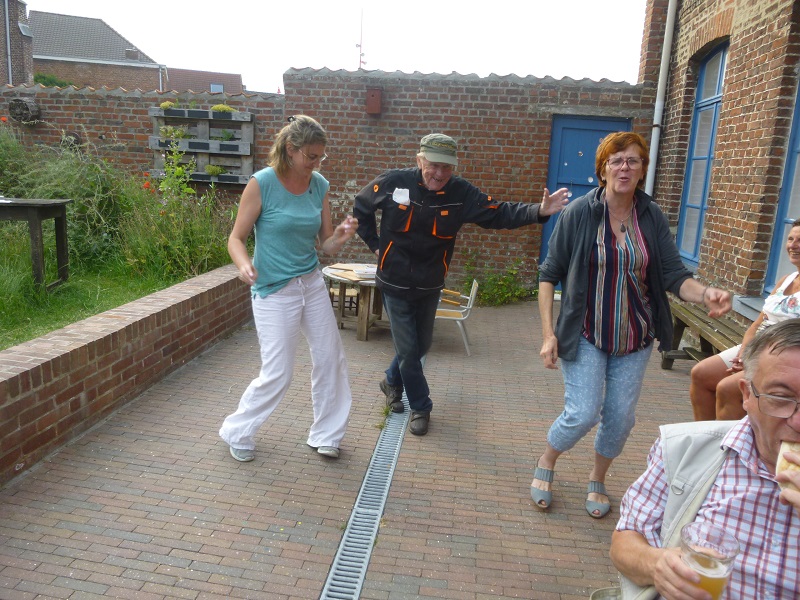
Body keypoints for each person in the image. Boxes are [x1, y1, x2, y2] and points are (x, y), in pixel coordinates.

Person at [531, 131, 732, 518]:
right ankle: (548, 459)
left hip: (635, 337)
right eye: (617, 160)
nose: (624, 168)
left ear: (642, 170)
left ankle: (597, 477)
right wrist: (548, 334)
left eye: (633, 161)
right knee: (583, 412)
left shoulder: (651, 216)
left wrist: (706, 293)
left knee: (621, 418)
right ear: (603, 169)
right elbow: (548, 274)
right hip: (585, 333)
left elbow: (674, 275)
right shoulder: (579, 213)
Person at [353, 133, 569, 436]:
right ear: (419, 160)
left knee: (421, 345)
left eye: (447, 167)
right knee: (410, 352)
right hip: (394, 282)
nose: (439, 173)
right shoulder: (393, 182)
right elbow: (361, 207)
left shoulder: (461, 193)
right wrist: (376, 246)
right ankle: (421, 406)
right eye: (433, 165)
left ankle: (390, 381)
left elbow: (499, 213)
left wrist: (539, 211)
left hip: (429, 285)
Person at [610, 318, 800, 599]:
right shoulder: (683, 449)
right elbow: (625, 542)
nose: (797, 422)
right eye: (780, 397)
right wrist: (656, 564)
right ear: (746, 395)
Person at [219, 115, 358, 461]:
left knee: (330, 358)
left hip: (310, 282)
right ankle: (238, 431)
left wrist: (339, 237)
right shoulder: (263, 183)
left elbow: (325, 245)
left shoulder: (319, 185)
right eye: (311, 156)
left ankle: (327, 433)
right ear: (291, 150)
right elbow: (235, 239)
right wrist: (243, 264)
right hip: (274, 289)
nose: (316, 163)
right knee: (279, 371)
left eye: (321, 156)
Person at [689, 218, 800, 421]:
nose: (793, 245)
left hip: (783, 356)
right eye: (791, 239)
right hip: (756, 346)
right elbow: (758, 323)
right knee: (701, 374)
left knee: (727, 388)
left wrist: (753, 360)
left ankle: (731, 442)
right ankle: (706, 437)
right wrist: (744, 354)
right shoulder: (786, 280)